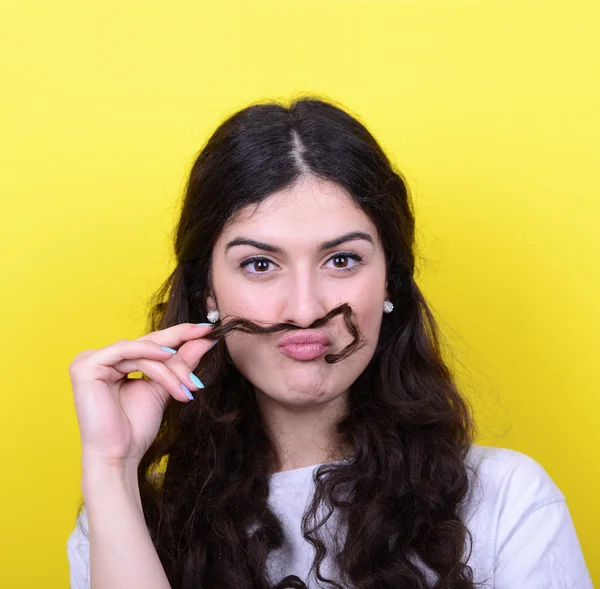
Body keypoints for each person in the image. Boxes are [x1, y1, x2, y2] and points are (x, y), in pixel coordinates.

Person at [66, 97, 593, 589]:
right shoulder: (125, 518)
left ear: (390, 281)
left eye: (342, 260)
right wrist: (111, 467)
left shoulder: (508, 501)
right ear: (209, 291)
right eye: (259, 264)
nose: (304, 310)